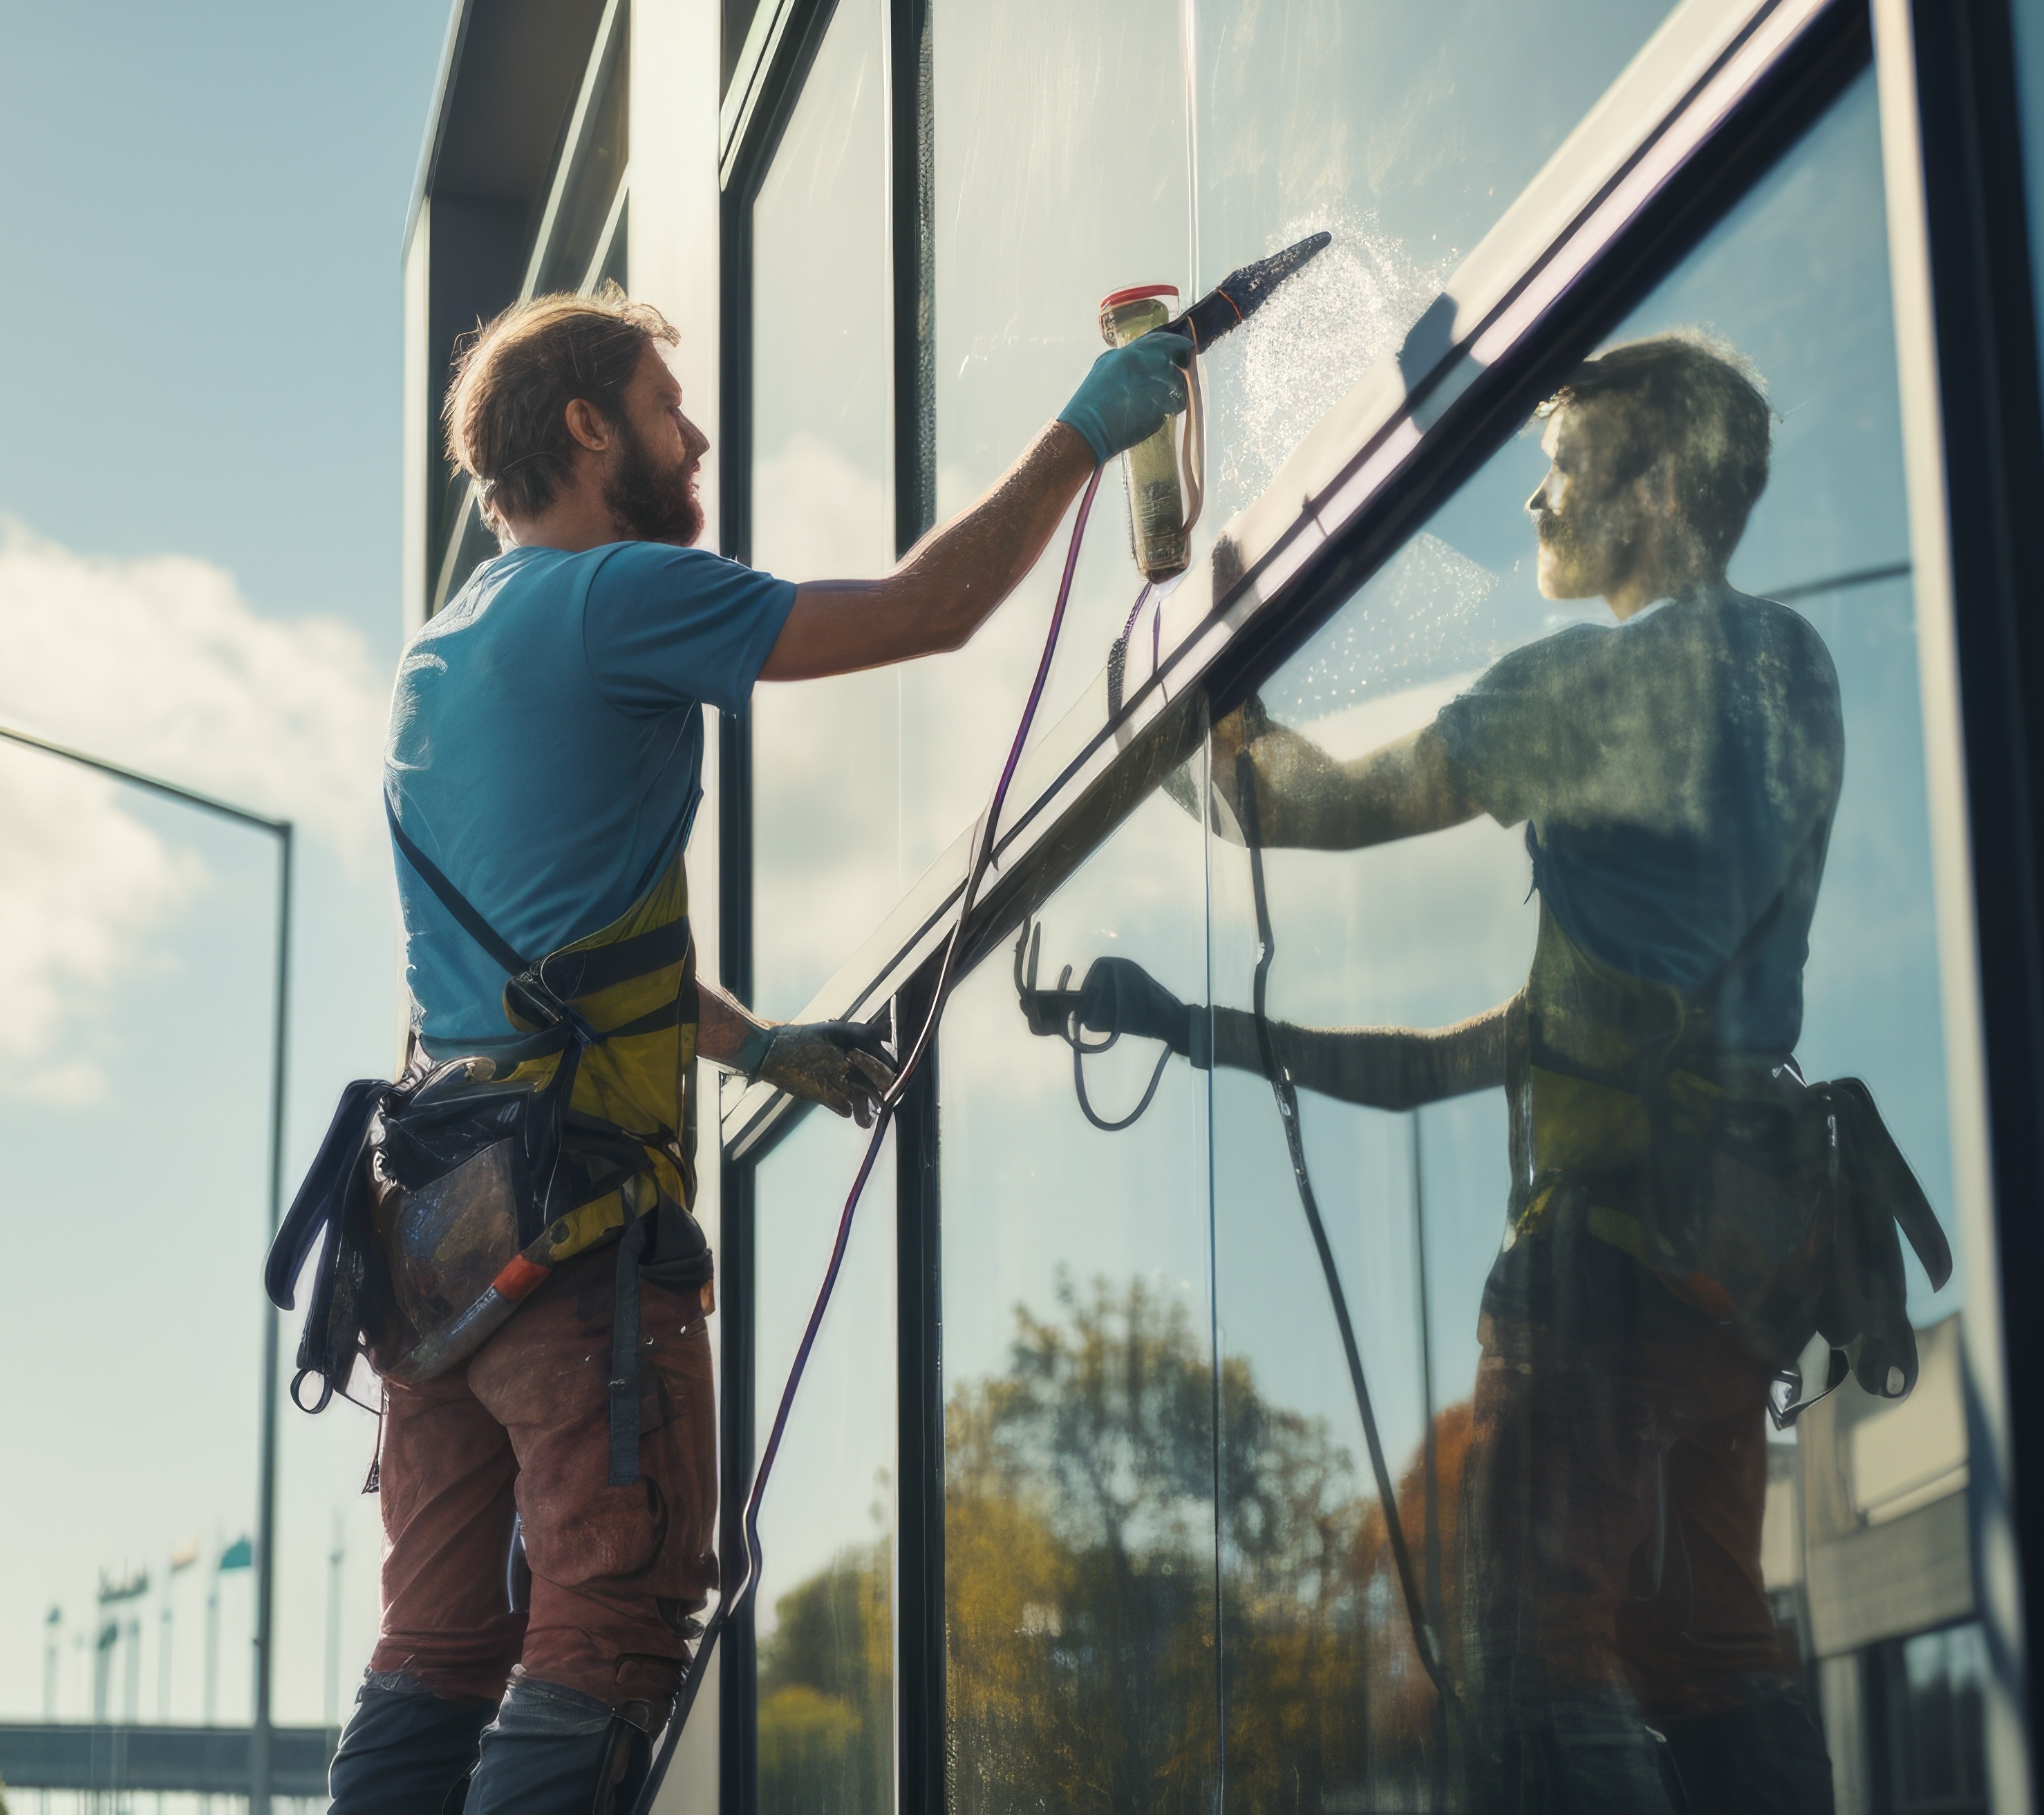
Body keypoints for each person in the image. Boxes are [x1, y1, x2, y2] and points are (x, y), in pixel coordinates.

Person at [332, 285, 1198, 1815]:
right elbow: (927, 610)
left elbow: (555, 963)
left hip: (433, 1244)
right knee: (606, 1623)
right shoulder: (612, 595)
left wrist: (760, 1042)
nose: (698, 433)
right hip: (569, 1235)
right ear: (590, 426)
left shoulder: (439, 650)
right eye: (670, 405)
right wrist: (1085, 430)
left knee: (434, 1649)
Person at [1070, 332, 1848, 1812]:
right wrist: (1192, 1026)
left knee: (1532, 1658)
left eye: (1557, 472)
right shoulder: (1786, 671)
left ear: (1655, 488)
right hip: (1728, 1283)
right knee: (1713, 1651)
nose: (1532, 506)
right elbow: (1463, 1061)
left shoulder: (1591, 691)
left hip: (1594, 1281)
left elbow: (1294, 804)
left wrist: (1163, 694)